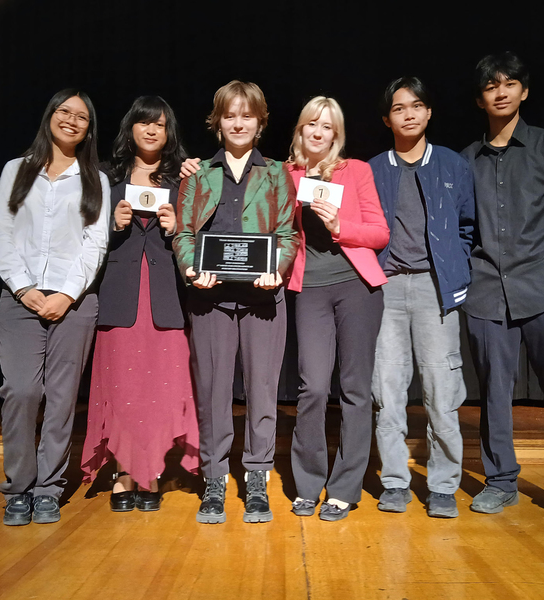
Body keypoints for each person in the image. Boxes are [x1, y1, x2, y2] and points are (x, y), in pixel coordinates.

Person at [461, 52, 544, 526]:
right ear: (480, 99)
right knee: (494, 393)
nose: (500, 91)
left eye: (509, 82)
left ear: (523, 91)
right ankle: (500, 483)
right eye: (490, 85)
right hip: (485, 292)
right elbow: (462, 227)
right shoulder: (466, 161)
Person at [172, 80, 298, 524]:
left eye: (247, 115)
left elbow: (287, 235)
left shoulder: (277, 173)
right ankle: (214, 479)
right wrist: (192, 267)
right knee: (213, 392)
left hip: (263, 299)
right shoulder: (199, 174)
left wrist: (277, 270)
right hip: (210, 299)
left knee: (263, 390)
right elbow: (183, 233)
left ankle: (257, 478)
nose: (238, 122)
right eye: (230, 115)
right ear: (218, 121)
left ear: (260, 122)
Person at [0, 89, 110, 526]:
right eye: (65, 112)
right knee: (21, 391)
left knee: (60, 399)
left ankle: (48, 488)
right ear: (50, 117)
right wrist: (23, 289)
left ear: (89, 128)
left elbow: (96, 242)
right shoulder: (15, 170)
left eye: (82, 116)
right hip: (20, 299)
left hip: (74, 302)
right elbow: (0, 233)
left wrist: (67, 293)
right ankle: (18, 486)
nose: (72, 121)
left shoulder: (96, 177)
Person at [80, 96, 199, 512]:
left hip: (166, 298)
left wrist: (178, 227)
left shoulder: (184, 180)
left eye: (161, 125)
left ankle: (152, 472)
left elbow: (201, 242)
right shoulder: (105, 178)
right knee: (123, 390)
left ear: (170, 135)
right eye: (145, 123)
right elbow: (82, 239)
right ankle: (124, 473)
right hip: (121, 296)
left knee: (162, 391)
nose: (152, 131)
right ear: (130, 127)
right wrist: (112, 226)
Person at [369, 77, 475, 519]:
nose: (408, 114)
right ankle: (394, 481)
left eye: (416, 106)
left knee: (441, 390)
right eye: (399, 108)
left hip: (436, 289)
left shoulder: (452, 165)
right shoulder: (372, 169)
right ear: (386, 118)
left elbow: (468, 226)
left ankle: (444, 486)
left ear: (429, 112)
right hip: (388, 289)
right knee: (387, 391)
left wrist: (455, 267)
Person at [287, 97, 389, 521]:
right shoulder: (283, 173)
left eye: (326, 126)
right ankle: (309, 483)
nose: (317, 131)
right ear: (301, 128)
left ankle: (345, 487)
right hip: (309, 288)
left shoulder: (357, 171)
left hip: (355, 287)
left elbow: (380, 233)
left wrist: (338, 226)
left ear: (335, 134)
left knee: (355, 389)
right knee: (312, 387)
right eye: (311, 122)